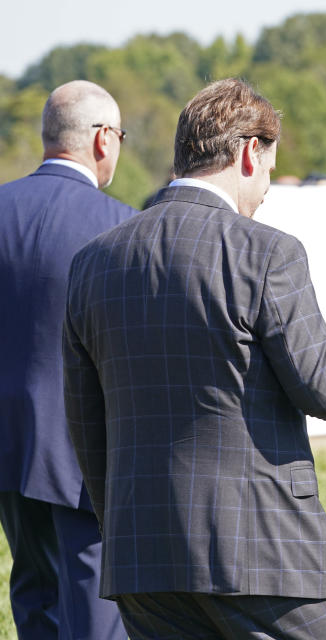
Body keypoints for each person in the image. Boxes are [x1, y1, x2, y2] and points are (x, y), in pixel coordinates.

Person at [62, 78, 326, 640]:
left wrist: (121, 523)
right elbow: (324, 385)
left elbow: (85, 422)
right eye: (267, 176)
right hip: (264, 549)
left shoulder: (93, 262)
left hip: (142, 556)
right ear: (247, 152)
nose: (262, 197)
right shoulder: (267, 252)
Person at [0, 80, 135, 640]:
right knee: (96, 611)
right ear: (104, 139)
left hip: (7, 443)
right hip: (86, 448)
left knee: (34, 594)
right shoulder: (121, 226)